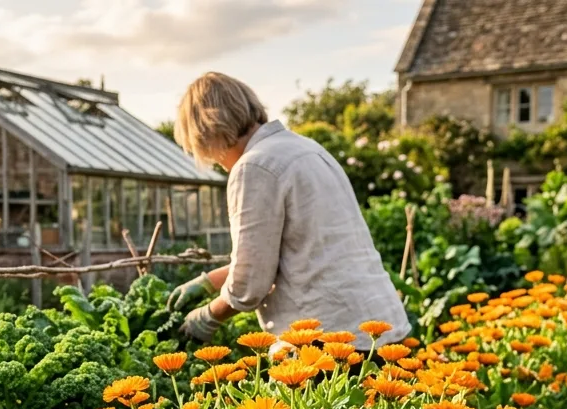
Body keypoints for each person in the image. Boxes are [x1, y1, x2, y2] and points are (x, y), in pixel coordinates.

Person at [167, 72, 411, 349]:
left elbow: (251, 283)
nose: (211, 160)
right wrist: (209, 281)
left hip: (328, 339)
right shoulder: (307, 148)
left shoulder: (254, 166)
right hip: (381, 327)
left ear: (208, 131)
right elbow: (294, 253)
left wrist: (209, 315)